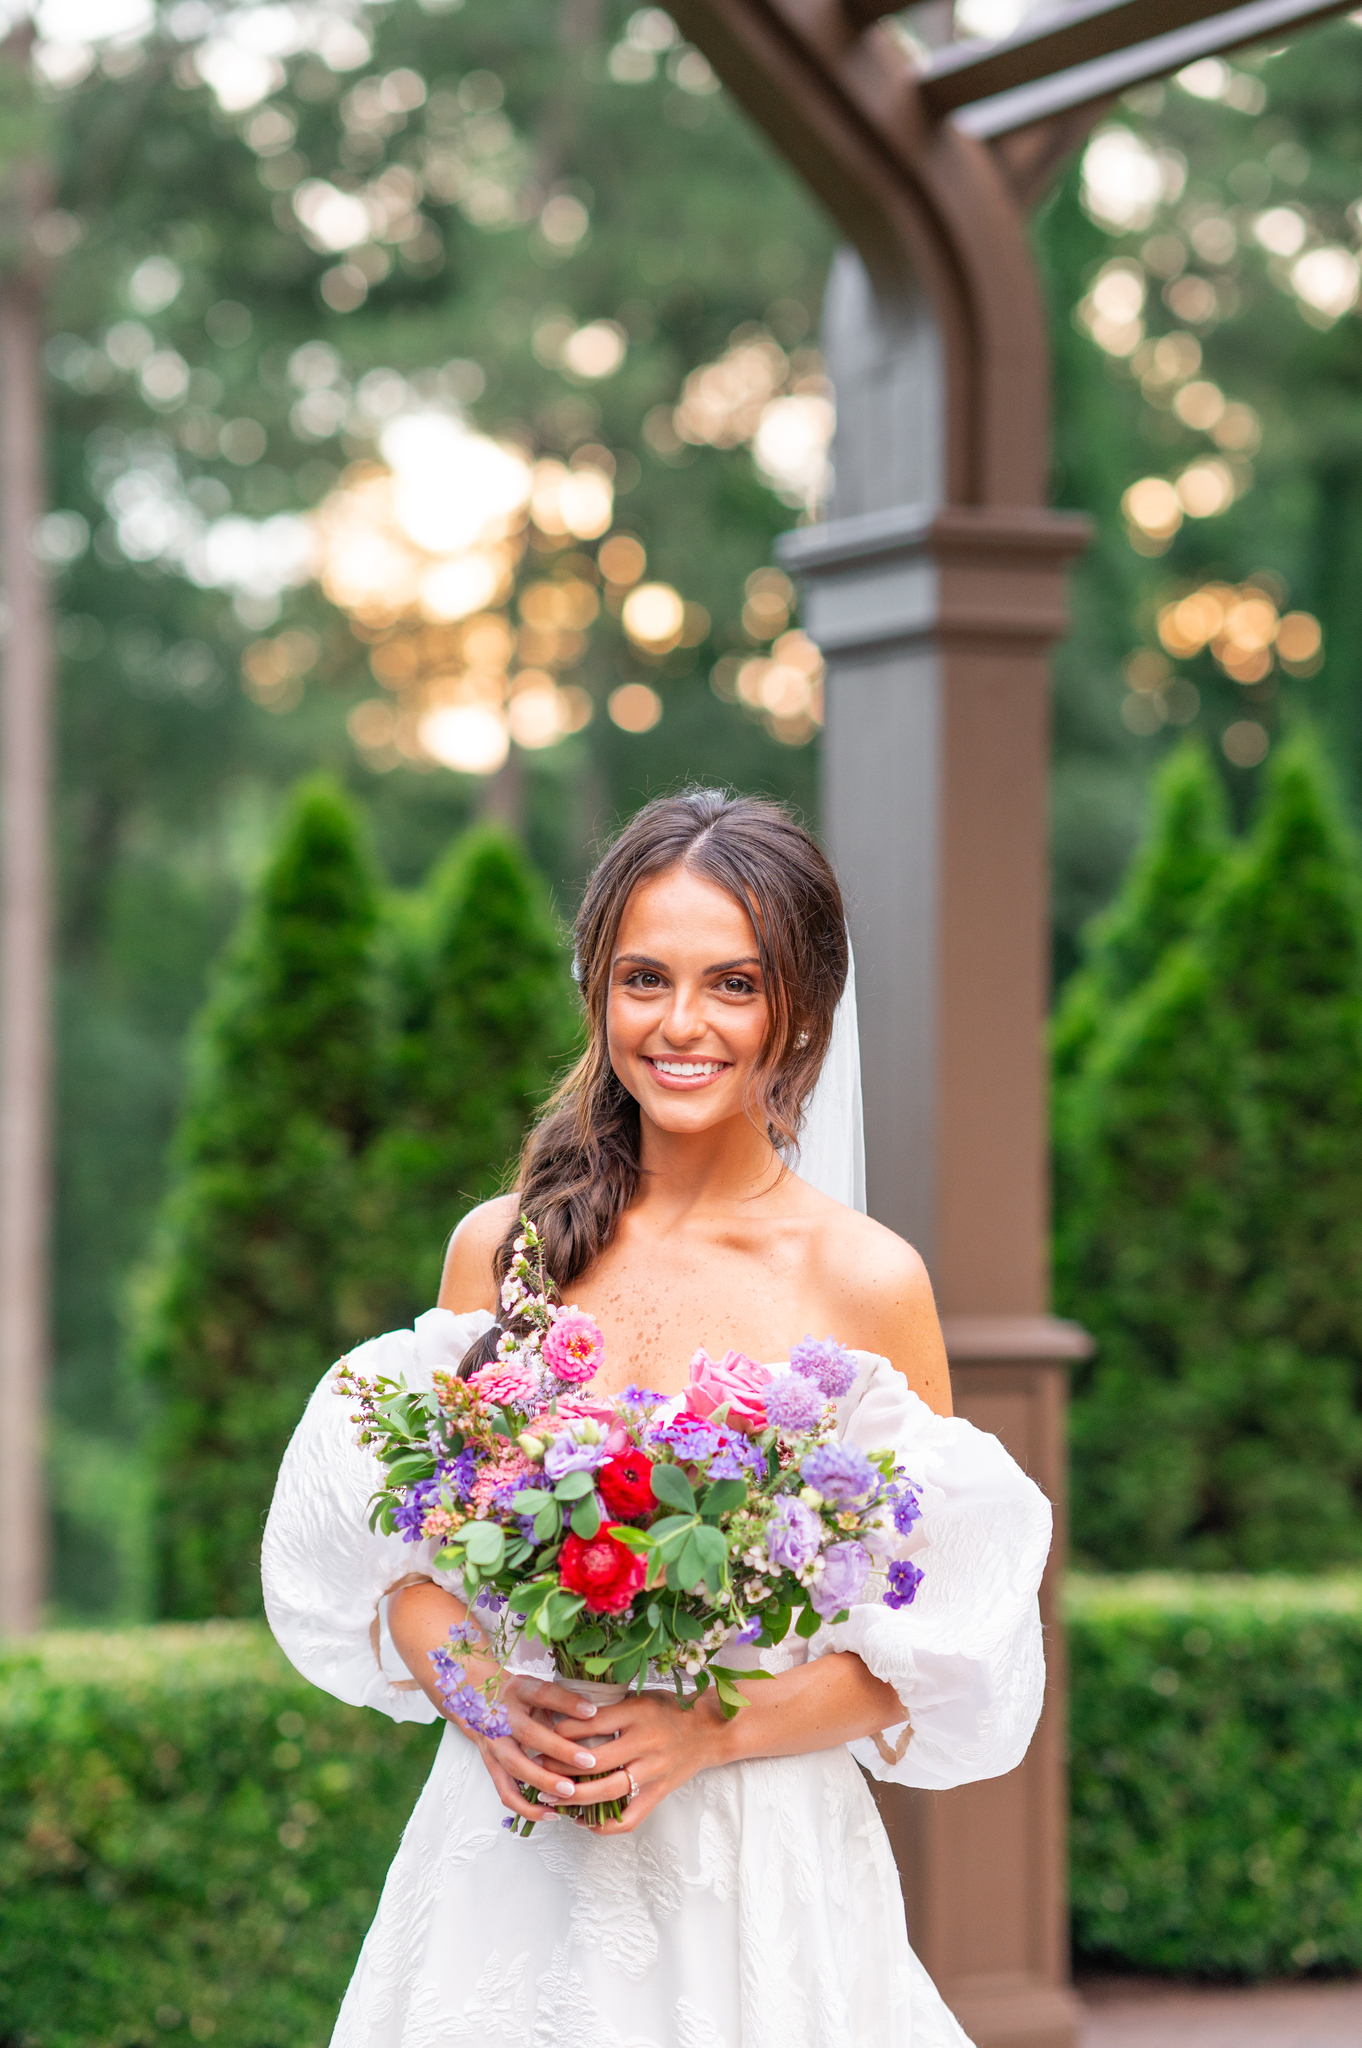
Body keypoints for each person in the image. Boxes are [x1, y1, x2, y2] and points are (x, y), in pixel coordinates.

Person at [263, 788, 1053, 2048]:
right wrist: (484, 1700)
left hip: (757, 1874)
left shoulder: (866, 1280)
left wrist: (702, 1727)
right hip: (509, 1873)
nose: (682, 1024)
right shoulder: (503, 1249)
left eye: (732, 983)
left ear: (799, 1008)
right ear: (599, 990)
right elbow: (404, 1570)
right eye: (645, 977)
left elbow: (931, 1645)